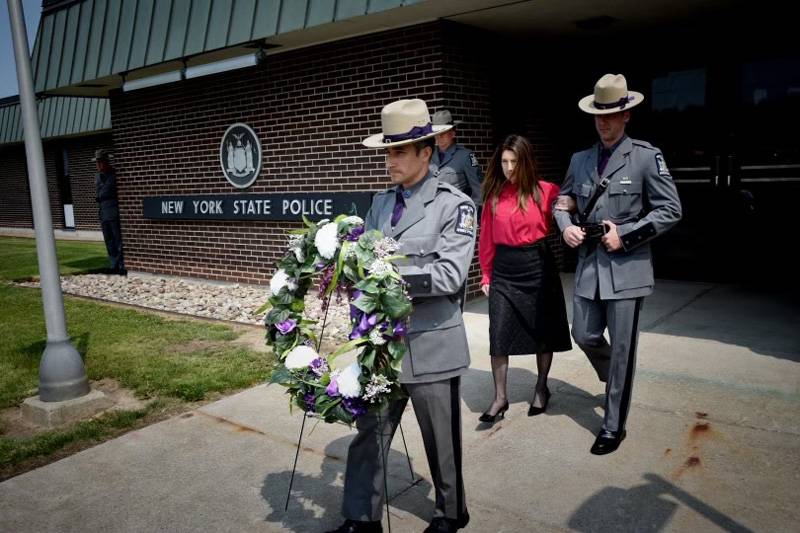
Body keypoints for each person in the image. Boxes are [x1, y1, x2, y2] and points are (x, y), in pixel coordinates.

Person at [327, 99, 475, 533]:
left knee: (441, 441)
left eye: (399, 152)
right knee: (370, 434)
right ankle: (360, 518)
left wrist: (383, 273)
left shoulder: (454, 205)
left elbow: (449, 275)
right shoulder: (378, 203)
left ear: (425, 153)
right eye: (387, 152)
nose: (389, 161)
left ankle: (451, 512)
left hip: (432, 340)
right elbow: (363, 261)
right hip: (384, 344)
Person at [553, 74, 682, 455]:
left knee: (623, 349)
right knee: (585, 335)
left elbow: (671, 209)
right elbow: (562, 201)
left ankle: (613, 426)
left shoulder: (645, 156)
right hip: (589, 267)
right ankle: (617, 380)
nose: (604, 122)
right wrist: (565, 229)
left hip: (626, 269)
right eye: (598, 115)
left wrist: (625, 235)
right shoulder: (580, 160)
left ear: (627, 115)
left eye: (612, 115)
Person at [477, 134, 572, 424]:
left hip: (538, 266)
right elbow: (486, 239)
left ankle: (541, 387)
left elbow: (570, 214)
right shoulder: (494, 195)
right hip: (505, 270)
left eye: (514, 161)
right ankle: (500, 398)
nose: (508, 168)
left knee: (543, 332)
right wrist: (486, 273)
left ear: (526, 161)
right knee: (499, 333)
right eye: (504, 162)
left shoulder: (547, 192)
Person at [429, 109, 483, 209]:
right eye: (436, 132)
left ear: (453, 133)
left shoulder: (466, 156)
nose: (439, 136)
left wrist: (470, 214)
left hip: (456, 213)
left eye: (443, 132)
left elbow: (478, 190)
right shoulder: (429, 155)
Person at [94, 148, 126, 275]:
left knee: (118, 239)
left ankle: (121, 265)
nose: (98, 165)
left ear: (107, 162)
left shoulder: (114, 175)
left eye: (101, 162)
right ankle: (113, 265)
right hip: (103, 212)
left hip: (113, 211)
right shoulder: (97, 176)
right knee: (108, 240)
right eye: (97, 162)